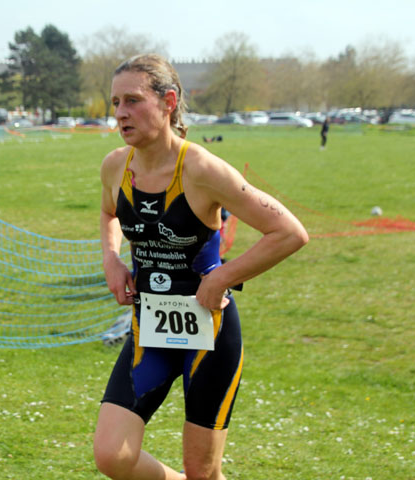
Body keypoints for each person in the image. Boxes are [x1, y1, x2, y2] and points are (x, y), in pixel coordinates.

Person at [94, 54, 308, 480]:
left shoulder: (201, 169)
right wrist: (111, 258)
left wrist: (224, 277)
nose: (120, 112)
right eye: (116, 101)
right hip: (148, 329)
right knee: (112, 456)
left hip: (208, 333)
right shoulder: (116, 166)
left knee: (203, 471)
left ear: (169, 101)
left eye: (133, 100)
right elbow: (108, 214)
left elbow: (289, 232)